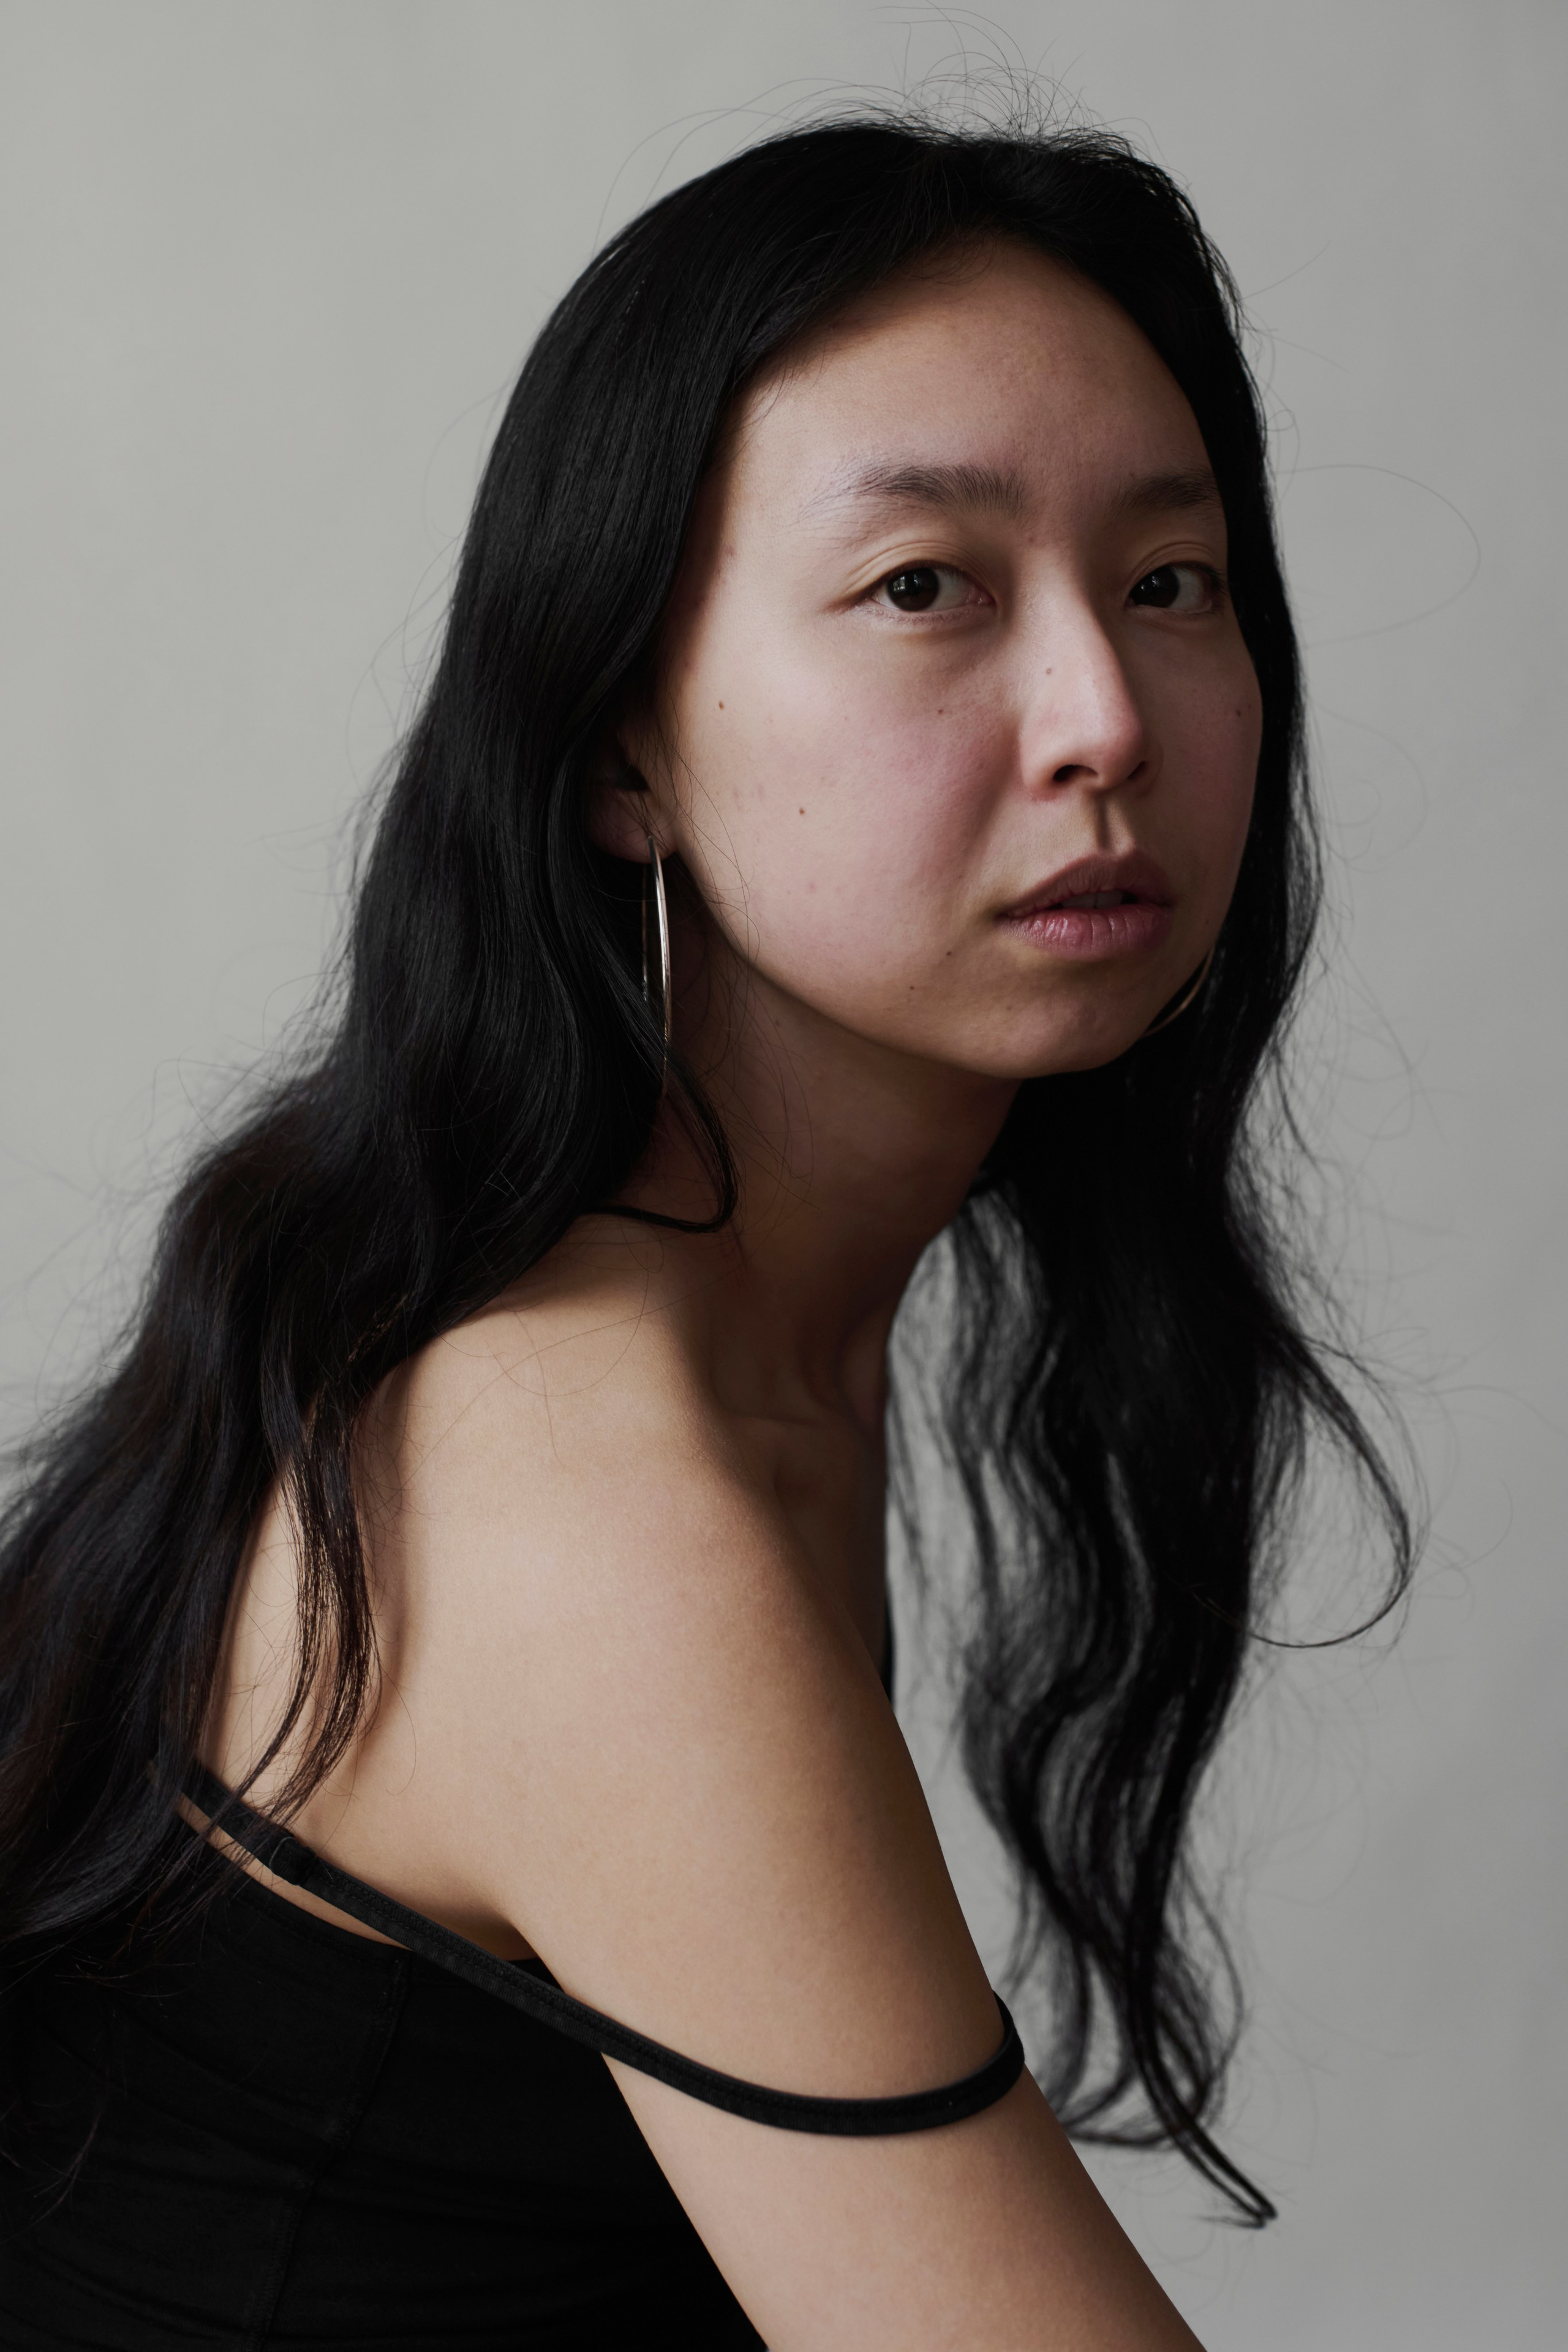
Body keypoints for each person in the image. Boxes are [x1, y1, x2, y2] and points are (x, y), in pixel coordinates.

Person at [0, 112, 1410, 2348]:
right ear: (619, 748)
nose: (1105, 718)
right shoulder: (571, 1479)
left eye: (1173, 581)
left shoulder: (714, 1320)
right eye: (926, 585)